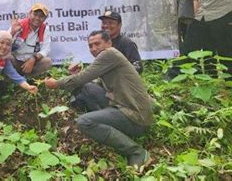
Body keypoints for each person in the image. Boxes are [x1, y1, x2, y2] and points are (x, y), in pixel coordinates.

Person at [44, 30, 153, 170]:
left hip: (135, 117)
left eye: (97, 44)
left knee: (84, 121)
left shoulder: (110, 54)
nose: (94, 48)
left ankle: (136, 151)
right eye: (90, 46)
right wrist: (76, 76)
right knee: (87, 88)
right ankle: (107, 125)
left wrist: (56, 83)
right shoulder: (108, 59)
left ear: (109, 43)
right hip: (123, 107)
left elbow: (80, 79)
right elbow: (89, 83)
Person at [9, 3, 53, 76]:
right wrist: (13, 32)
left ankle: (30, 80)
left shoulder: (45, 29)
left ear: (45, 18)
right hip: (16, 60)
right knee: (7, 57)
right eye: (35, 14)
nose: (37, 18)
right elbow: (4, 43)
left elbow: (46, 49)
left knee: (47, 62)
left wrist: (33, 59)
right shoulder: (19, 24)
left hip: (32, 62)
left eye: (41, 16)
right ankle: (12, 80)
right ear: (29, 14)